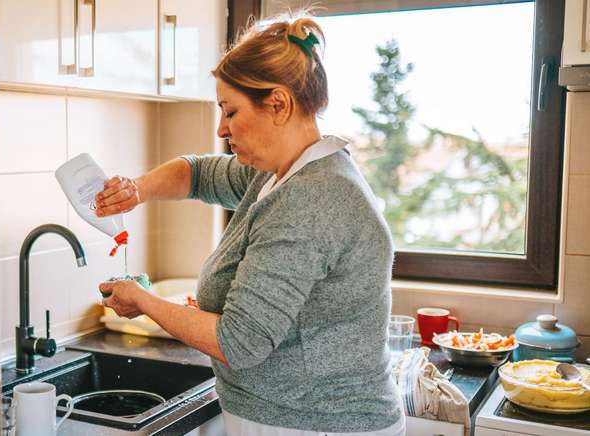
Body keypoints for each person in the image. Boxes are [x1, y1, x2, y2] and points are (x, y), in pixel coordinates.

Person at [95, 13, 405, 436]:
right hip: (293, 417)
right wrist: (138, 188)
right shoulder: (280, 174)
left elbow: (238, 342)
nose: (222, 129)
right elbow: (198, 173)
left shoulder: (311, 198)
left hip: (317, 425)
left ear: (278, 104)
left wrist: (143, 300)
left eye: (231, 111)